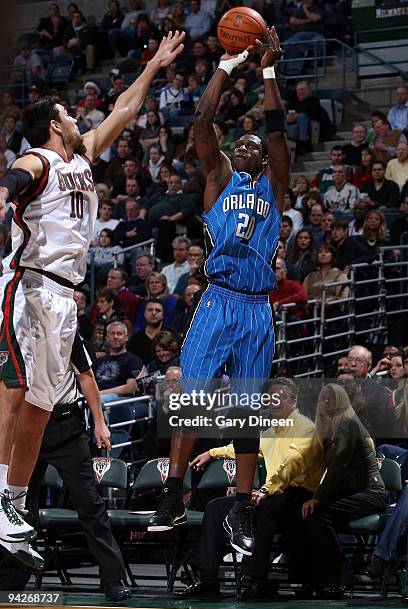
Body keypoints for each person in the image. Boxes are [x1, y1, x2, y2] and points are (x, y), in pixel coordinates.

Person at [0, 30, 185, 551]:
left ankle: (12, 502)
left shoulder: (81, 160)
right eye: (70, 114)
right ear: (56, 125)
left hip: (65, 297)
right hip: (29, 285)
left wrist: (153, 67)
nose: (81, 118)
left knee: (41, 404)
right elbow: (15, 176)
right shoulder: (41, 159)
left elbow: (125, 110)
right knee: (14, 390)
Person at [148, 28, 291, 559]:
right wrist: (227, 65)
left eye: (254, 144)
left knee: (249, 410)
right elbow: (204, 122)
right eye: (241, 142)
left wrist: (269, 72)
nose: (248, 143)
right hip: (217, 297)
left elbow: (278, 133)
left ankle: (241, 507)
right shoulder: (217, 179)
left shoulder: (275, 186)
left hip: (256, 308)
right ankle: (173, 491)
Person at [0, 333, 130, 602]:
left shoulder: (66, 332)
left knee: (89, 503)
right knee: (17, 507)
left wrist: (99, 422)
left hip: (64, 426)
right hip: (25, 429)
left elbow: (86, 377)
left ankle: (113, 579)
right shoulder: (12, 334)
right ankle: (11, 579)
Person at [175, 378, 324, 600]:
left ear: (294, 401)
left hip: (297, 495)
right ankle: (206, 577)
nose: (275, 402)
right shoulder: (270, 431)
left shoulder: (305, 428)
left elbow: (293, 463)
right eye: (271, 397)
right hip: (271, 493)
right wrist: (211, 453)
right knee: (216, 507)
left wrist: (265, 490)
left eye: (281, 396)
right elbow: (240, 448)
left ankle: (255, 580)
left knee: (258, 509)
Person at [288, 384, 386, 598]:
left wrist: (316, 498)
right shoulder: (325, 431)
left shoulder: (348, 425)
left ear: (341, 402)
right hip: (348, 493)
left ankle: (340, 575)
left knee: (318, 515)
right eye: (322, 398)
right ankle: (314, 579)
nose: (325, 403)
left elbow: (339, 467)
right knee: (299, 511)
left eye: (331, 399)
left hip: (371, 493)